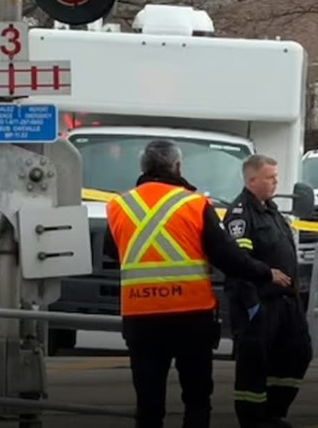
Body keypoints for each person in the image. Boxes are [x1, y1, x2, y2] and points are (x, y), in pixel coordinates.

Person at [104, 140, 291, 428]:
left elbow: (112, 250)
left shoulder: (119, 205)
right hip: (190, 317)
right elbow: (229, 257)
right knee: (197, 399)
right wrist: (266, 273)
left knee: (149, 404)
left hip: (141, 316)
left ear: (143, 167)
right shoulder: (194, 204)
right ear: (177, 167)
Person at [223, 154, 313, 428]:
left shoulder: (272, 212)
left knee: (298, 353)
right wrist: (253, 307)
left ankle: (274, 412)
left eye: (276, 177)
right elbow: (239, 263)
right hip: (260, 302)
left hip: (286, 304)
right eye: (270, 178)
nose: (276, 182)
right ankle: (253, 420)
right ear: (252, 180)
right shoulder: (240, 215)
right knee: (254, 366)